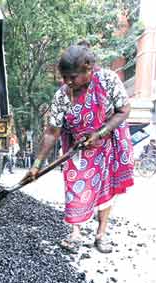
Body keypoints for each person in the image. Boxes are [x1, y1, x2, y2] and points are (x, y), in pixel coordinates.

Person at [27, 41, 134, 254]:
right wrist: (37, 164)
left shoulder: (107, 80)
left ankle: (101, 234)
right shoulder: (62, 95)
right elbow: (52, 131)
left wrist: (100, 133)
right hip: (77, 147)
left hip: (107, 143)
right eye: (64, 77)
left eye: (73, 77)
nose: (68, 82)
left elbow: (123, 110)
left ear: (88, 68)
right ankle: (75, 233)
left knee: (106, 189)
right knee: (75, 184)